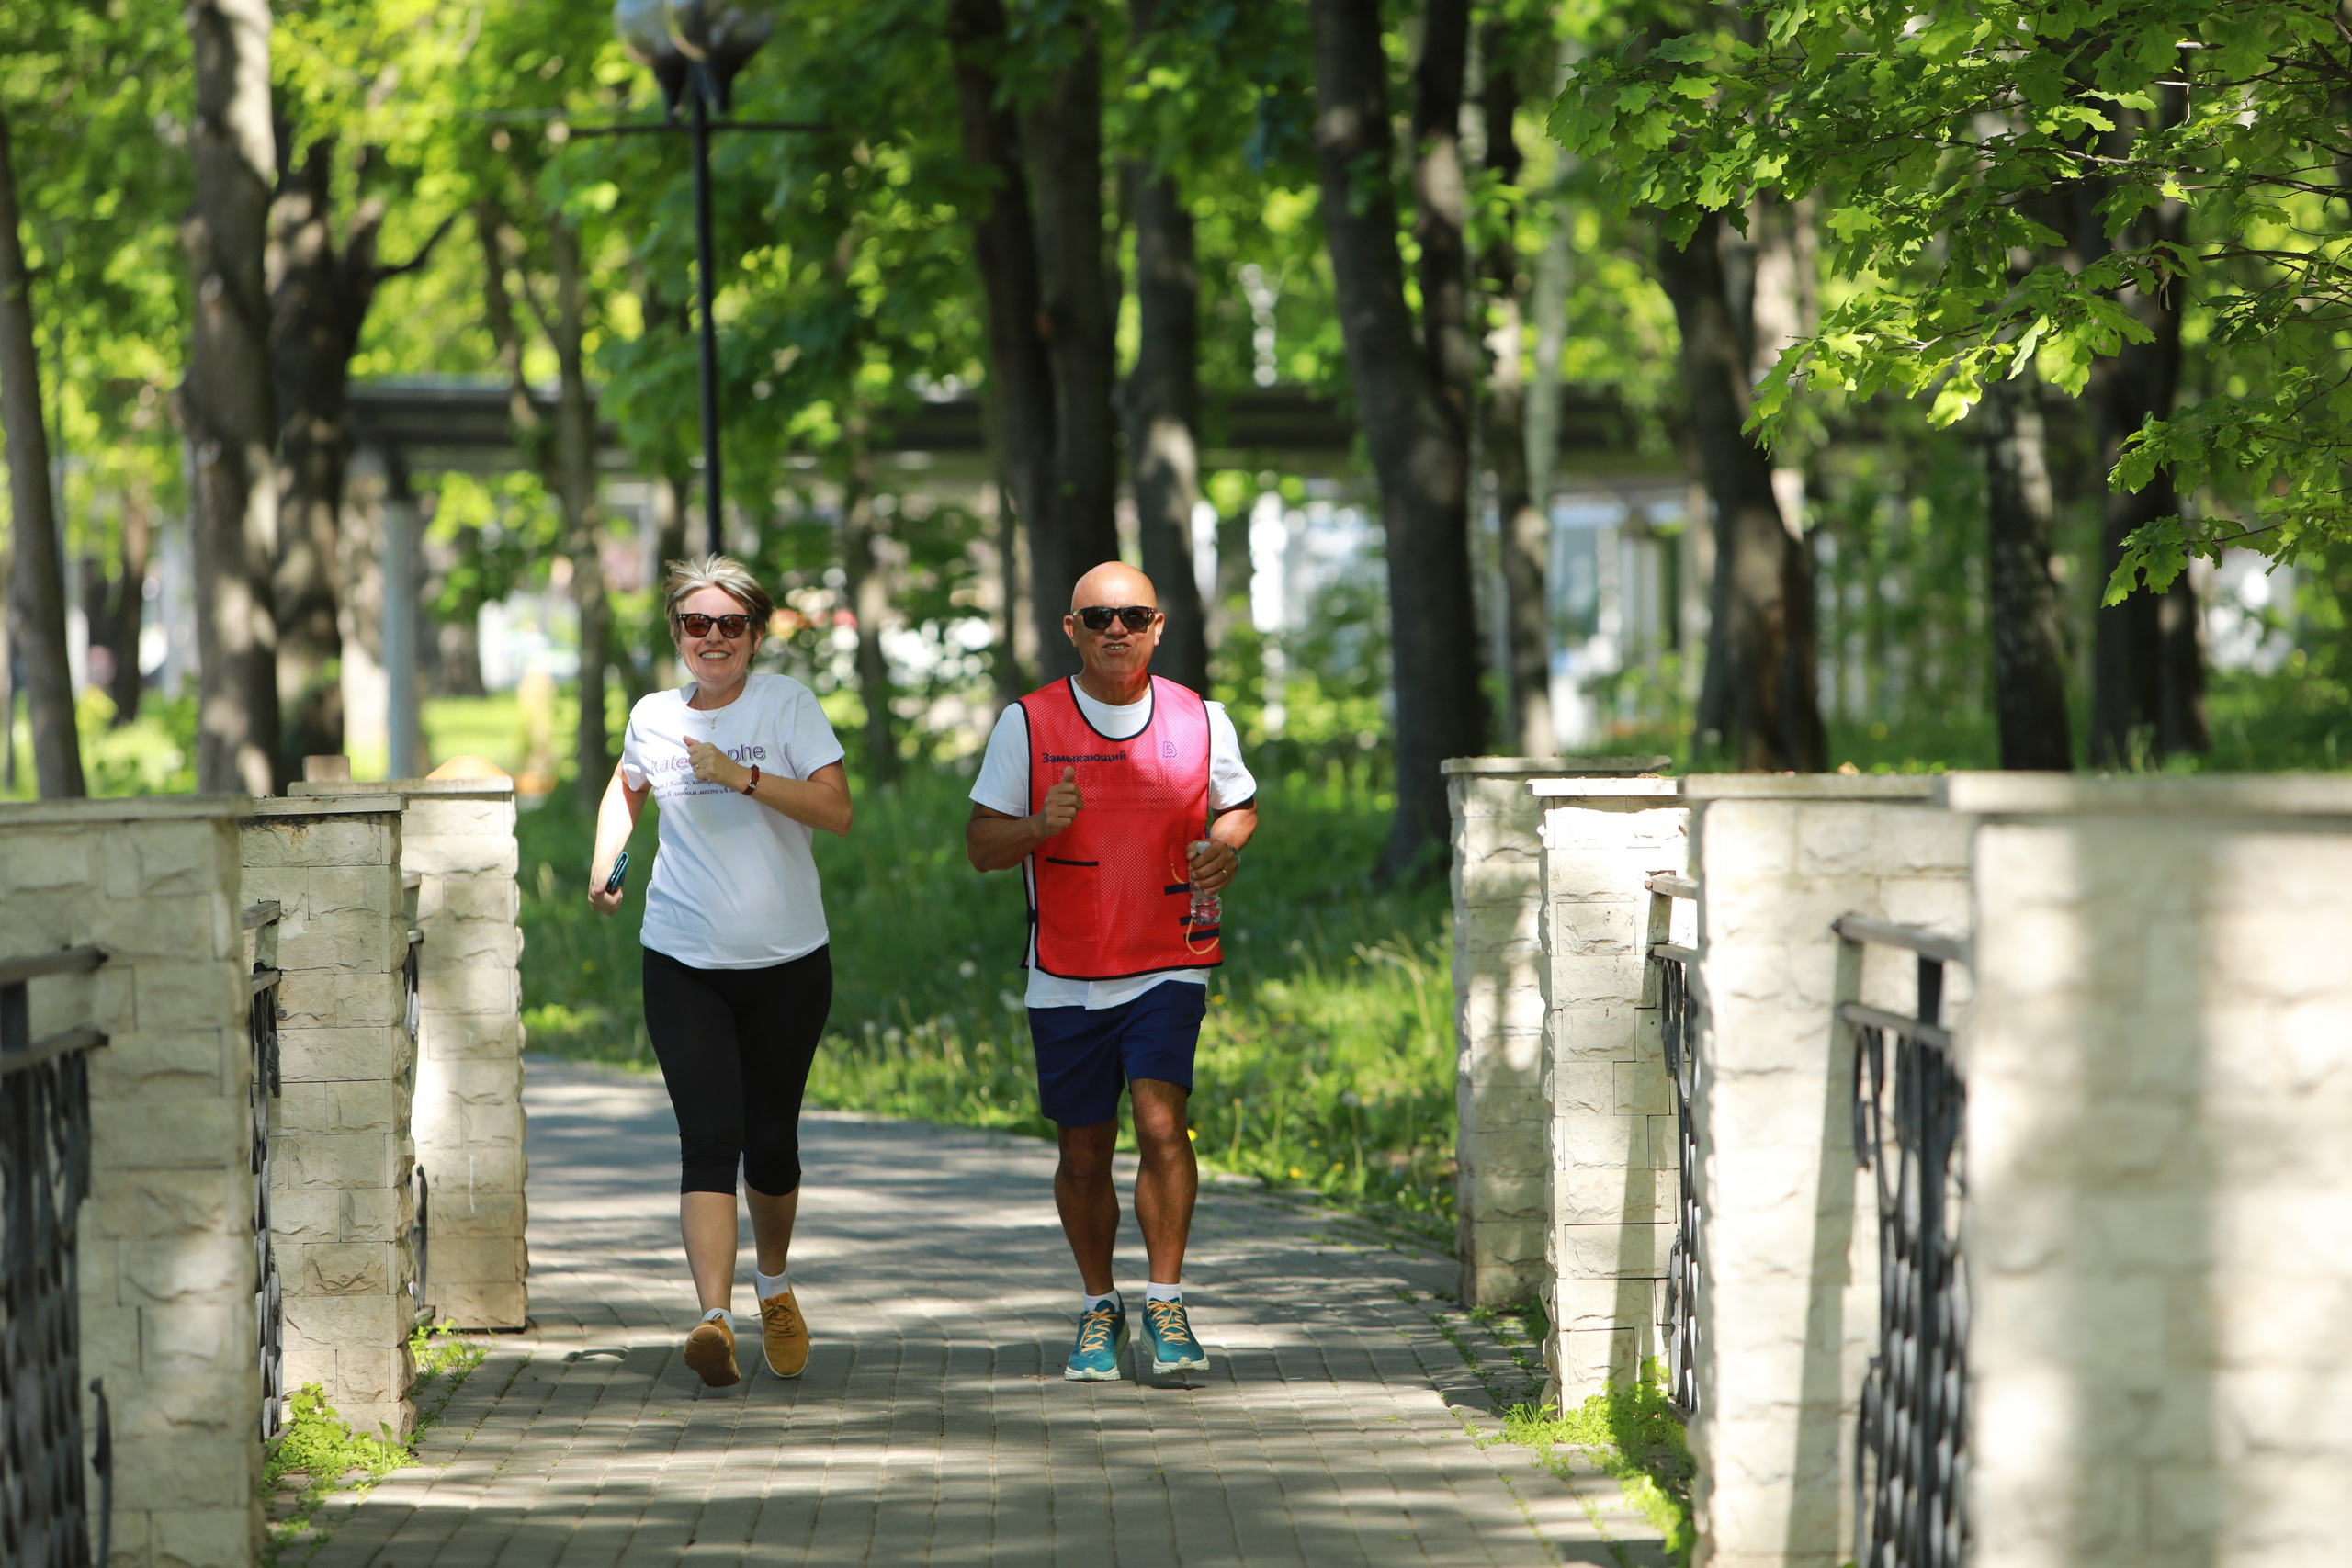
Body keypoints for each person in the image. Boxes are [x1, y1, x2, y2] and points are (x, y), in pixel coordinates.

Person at [966, 561, 1259, 1381]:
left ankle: (1166, 1300)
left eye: (1133, 616)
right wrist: (1036, 824)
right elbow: (981, 845)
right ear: (1072, 630)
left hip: (1171, 951)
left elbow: (1239, 804)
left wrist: (1224, 848)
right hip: (1066, 964)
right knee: (1085, 1150)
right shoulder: (1027, 723)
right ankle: (1101, 1303)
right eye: (1098, 618)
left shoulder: (1202, 718)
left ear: (1159, 626)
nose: (1117, 630)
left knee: (1163, 1124)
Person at [589, 555, 853, 1389]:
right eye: (697, 623)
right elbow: (626, 787)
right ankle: (713, 1317)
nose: (712, 638)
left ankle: (773, 1285)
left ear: (754, 634)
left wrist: (738, 774)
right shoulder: (652, 716)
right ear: (677, 633)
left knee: (770, 1144)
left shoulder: (788, 706)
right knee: (708, 1141)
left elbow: (836, 809)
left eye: (729, 624)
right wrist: (608, 858)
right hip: (681, 957)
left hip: (787, 962)